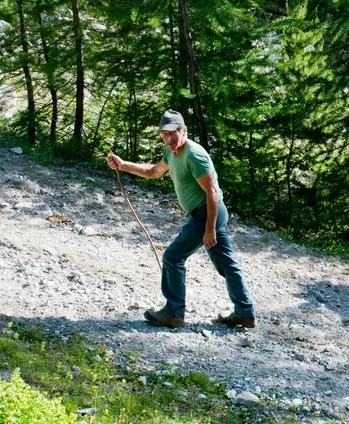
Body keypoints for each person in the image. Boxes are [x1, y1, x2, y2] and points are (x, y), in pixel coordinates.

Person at [106, 109, 255, 329]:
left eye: (172, 133)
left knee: (173, 257)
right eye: (164, 134)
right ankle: (245, 313)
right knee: (226, 265)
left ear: (183, 131)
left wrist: (209, 229)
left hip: (207, 213)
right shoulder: (170, 152)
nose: (168, 138)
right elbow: (153, 172)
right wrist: (123, 165)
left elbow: (212, 192)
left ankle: (174, 312)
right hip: (204, 214)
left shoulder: (194, 155)